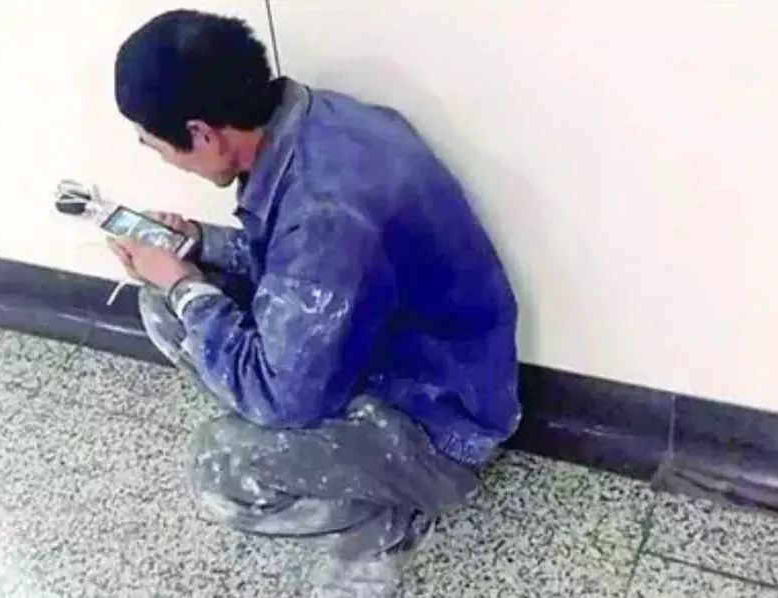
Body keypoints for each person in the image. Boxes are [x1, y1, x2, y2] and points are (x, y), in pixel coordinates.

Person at [108, 10, 519, 597]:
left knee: (221, 468)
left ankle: (388, 514)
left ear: (201, 134)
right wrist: (195, 246)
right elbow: (297, 267)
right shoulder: (316, 125)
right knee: (164, 304)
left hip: (433, 420)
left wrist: (185, 285)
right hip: (383, 340)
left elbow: (283, 395)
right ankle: (333, 457)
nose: (163, 158)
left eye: (156, 146)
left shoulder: (327, 211)